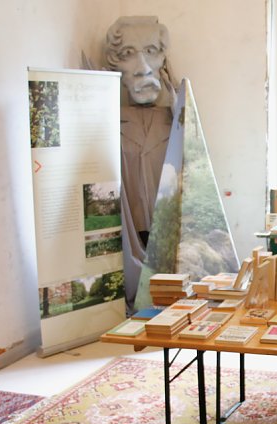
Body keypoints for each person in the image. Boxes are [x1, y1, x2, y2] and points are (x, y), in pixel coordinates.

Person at [105, 16, 177, 313]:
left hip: (163, 217)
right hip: (132, 212)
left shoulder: (172, 117)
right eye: (127, 54)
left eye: (151, 51)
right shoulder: (111, 119)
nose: (143, 67)